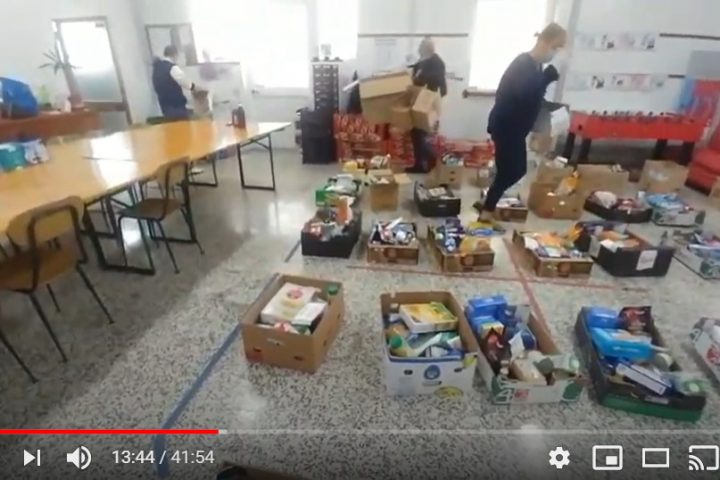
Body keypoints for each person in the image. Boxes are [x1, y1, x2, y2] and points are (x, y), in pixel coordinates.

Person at [476, 23, 567, 221]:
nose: (556, 53)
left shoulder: (536, 66)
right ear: (543, 41)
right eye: (555, 47)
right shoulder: (522, 63)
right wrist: (548, 76)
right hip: (506, 127)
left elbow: (535, 96)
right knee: (513, 171)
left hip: (516, 129)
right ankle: (486, 211)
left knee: (510, 171)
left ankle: (486, 204)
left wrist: (553, 109)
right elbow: (524, 93)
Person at [409, 37, 447, 173]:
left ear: (427, 48)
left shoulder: (437, 62)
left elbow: (434, 82)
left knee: (421, 134)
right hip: (418, 101)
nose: (419, 50)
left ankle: (432, 160)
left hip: (428, 103)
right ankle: (420, 164)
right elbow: (415, 79)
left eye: (421, 48)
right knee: (416, 133)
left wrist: (419, 77)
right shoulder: (422, 62)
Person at [152, 45, 198, 120]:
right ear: (174, 54)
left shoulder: (157, 68)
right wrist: (194, 88)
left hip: (164, 107)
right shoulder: (172, 68)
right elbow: (185, 82)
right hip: (177, 106)